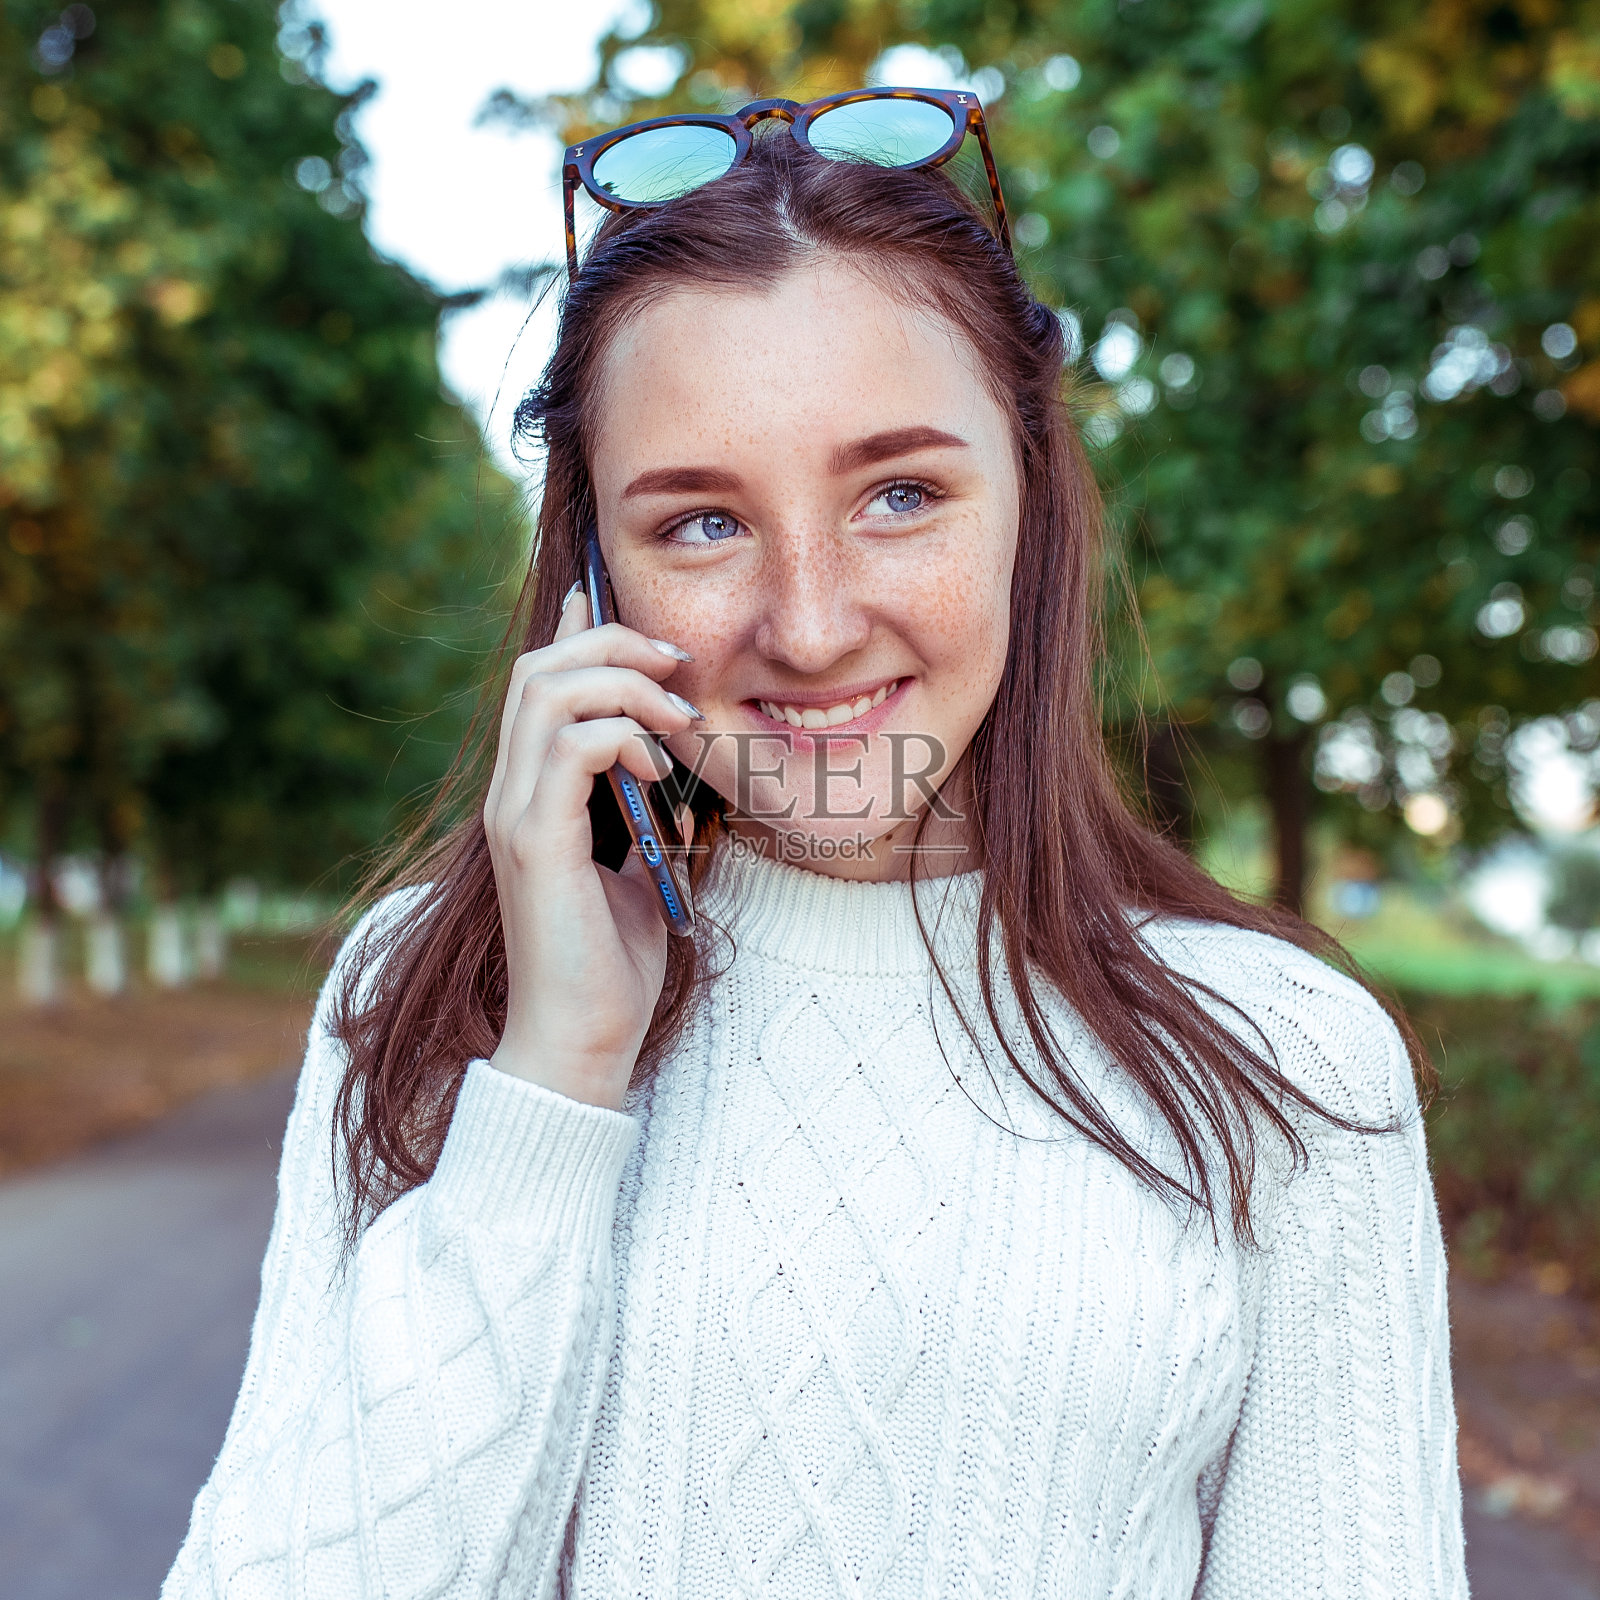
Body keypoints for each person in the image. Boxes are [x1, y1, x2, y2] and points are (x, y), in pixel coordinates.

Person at [163, 96, 1468, 1599]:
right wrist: (554, 1079)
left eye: (900, 495)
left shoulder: (1280, 1062)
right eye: (701, 525)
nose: (810, 624)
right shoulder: (426, 996)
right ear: (593, 574)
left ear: (1031, 507)